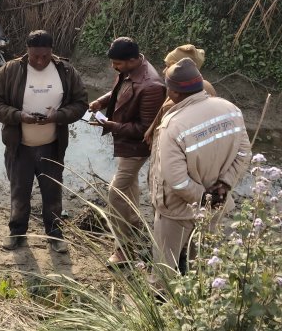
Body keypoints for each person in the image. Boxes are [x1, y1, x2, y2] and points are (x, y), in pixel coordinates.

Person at [0, 30, 88, 253]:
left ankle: (55, 235)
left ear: (52, 52)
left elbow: (81, 103)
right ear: (27, 51)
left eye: (45, 56)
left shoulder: (66, 71)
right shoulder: (10, 70)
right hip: (19, 147)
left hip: (52, 147)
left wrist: (59, 116)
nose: (40, 61)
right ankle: (17, 233)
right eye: (35, 57)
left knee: (53, 194)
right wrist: (18, 116)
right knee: (19, 192)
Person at [148, 58, 250, 278]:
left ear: (173, 92)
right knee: (202, 261)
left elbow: (175, 180)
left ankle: (160, 295)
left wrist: (203, 198)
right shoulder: (230, 109)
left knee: (165, 264)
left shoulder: (173, 124)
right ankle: (200, 293)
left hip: (177, 210)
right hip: (217, 203)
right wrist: (224, 186)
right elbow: (244, 154)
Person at [88, 37, 166, 265]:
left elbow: (145, 129)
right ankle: (133, 223)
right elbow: (120, 90)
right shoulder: (130, 70)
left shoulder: (152, 86)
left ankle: (123, 248)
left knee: (116, 192)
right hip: (125, 142)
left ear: (132, 60)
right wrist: (101, 102)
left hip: (137, 147)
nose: (114, 67)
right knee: (129, 184)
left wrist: (112, 126)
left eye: (118, 64)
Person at [144, 44, 216, 145]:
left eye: (168, 66)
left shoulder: (177, 100)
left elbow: (165, 139)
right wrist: (151, 128)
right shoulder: (204, 85)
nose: (164, 71)